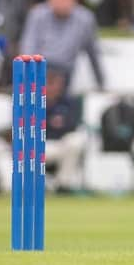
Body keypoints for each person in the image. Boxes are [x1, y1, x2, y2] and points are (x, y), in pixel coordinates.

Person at [19, 0, 105, 89]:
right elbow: (28, 47)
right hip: (38, 70)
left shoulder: (85, 19)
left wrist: (101, 83)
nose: (62, 2)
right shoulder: (37, 15)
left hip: (65, 73)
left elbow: (93, 53)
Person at [44, 63, 87, 192]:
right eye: (51, 83)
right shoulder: (33, 101)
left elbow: (73, 124)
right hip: (39, 145)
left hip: (61, 144)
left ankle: (63, 186)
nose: (56, 87)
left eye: (58, 83)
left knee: (77, 140)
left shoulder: (69, 102)